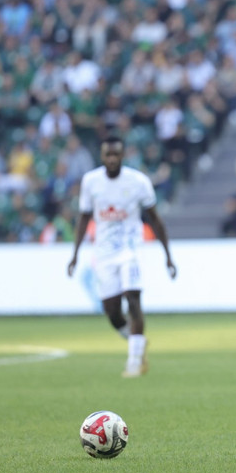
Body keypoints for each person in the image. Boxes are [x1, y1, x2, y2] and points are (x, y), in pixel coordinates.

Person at [67, 135, 176, 378]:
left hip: (130, 249)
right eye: (108, 154)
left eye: (117, 154)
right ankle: (137, 342)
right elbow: (84, 217)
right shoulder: (91, 182)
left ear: (123, 155)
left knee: (133, 297)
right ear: (102, 156)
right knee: (113, 313)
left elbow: (155, 219)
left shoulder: (138, 182)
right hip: (103, 253)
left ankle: (134, 362)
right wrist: (74, 254)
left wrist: (167, 254)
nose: (113, 159)